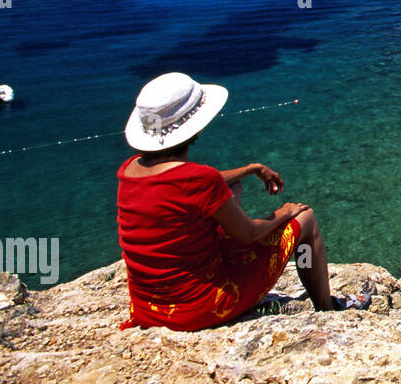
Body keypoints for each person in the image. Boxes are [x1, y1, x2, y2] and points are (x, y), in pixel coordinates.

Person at [116, 72, 369, 332]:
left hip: (148, 307)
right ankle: (324, 304)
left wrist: (250, 169)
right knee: (306, 221)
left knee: (231, 186)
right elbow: (248, 233)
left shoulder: (130, 170)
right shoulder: (199, 180)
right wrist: (284, 213)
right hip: (201, 307)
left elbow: (191, 184)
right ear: (196, 125)